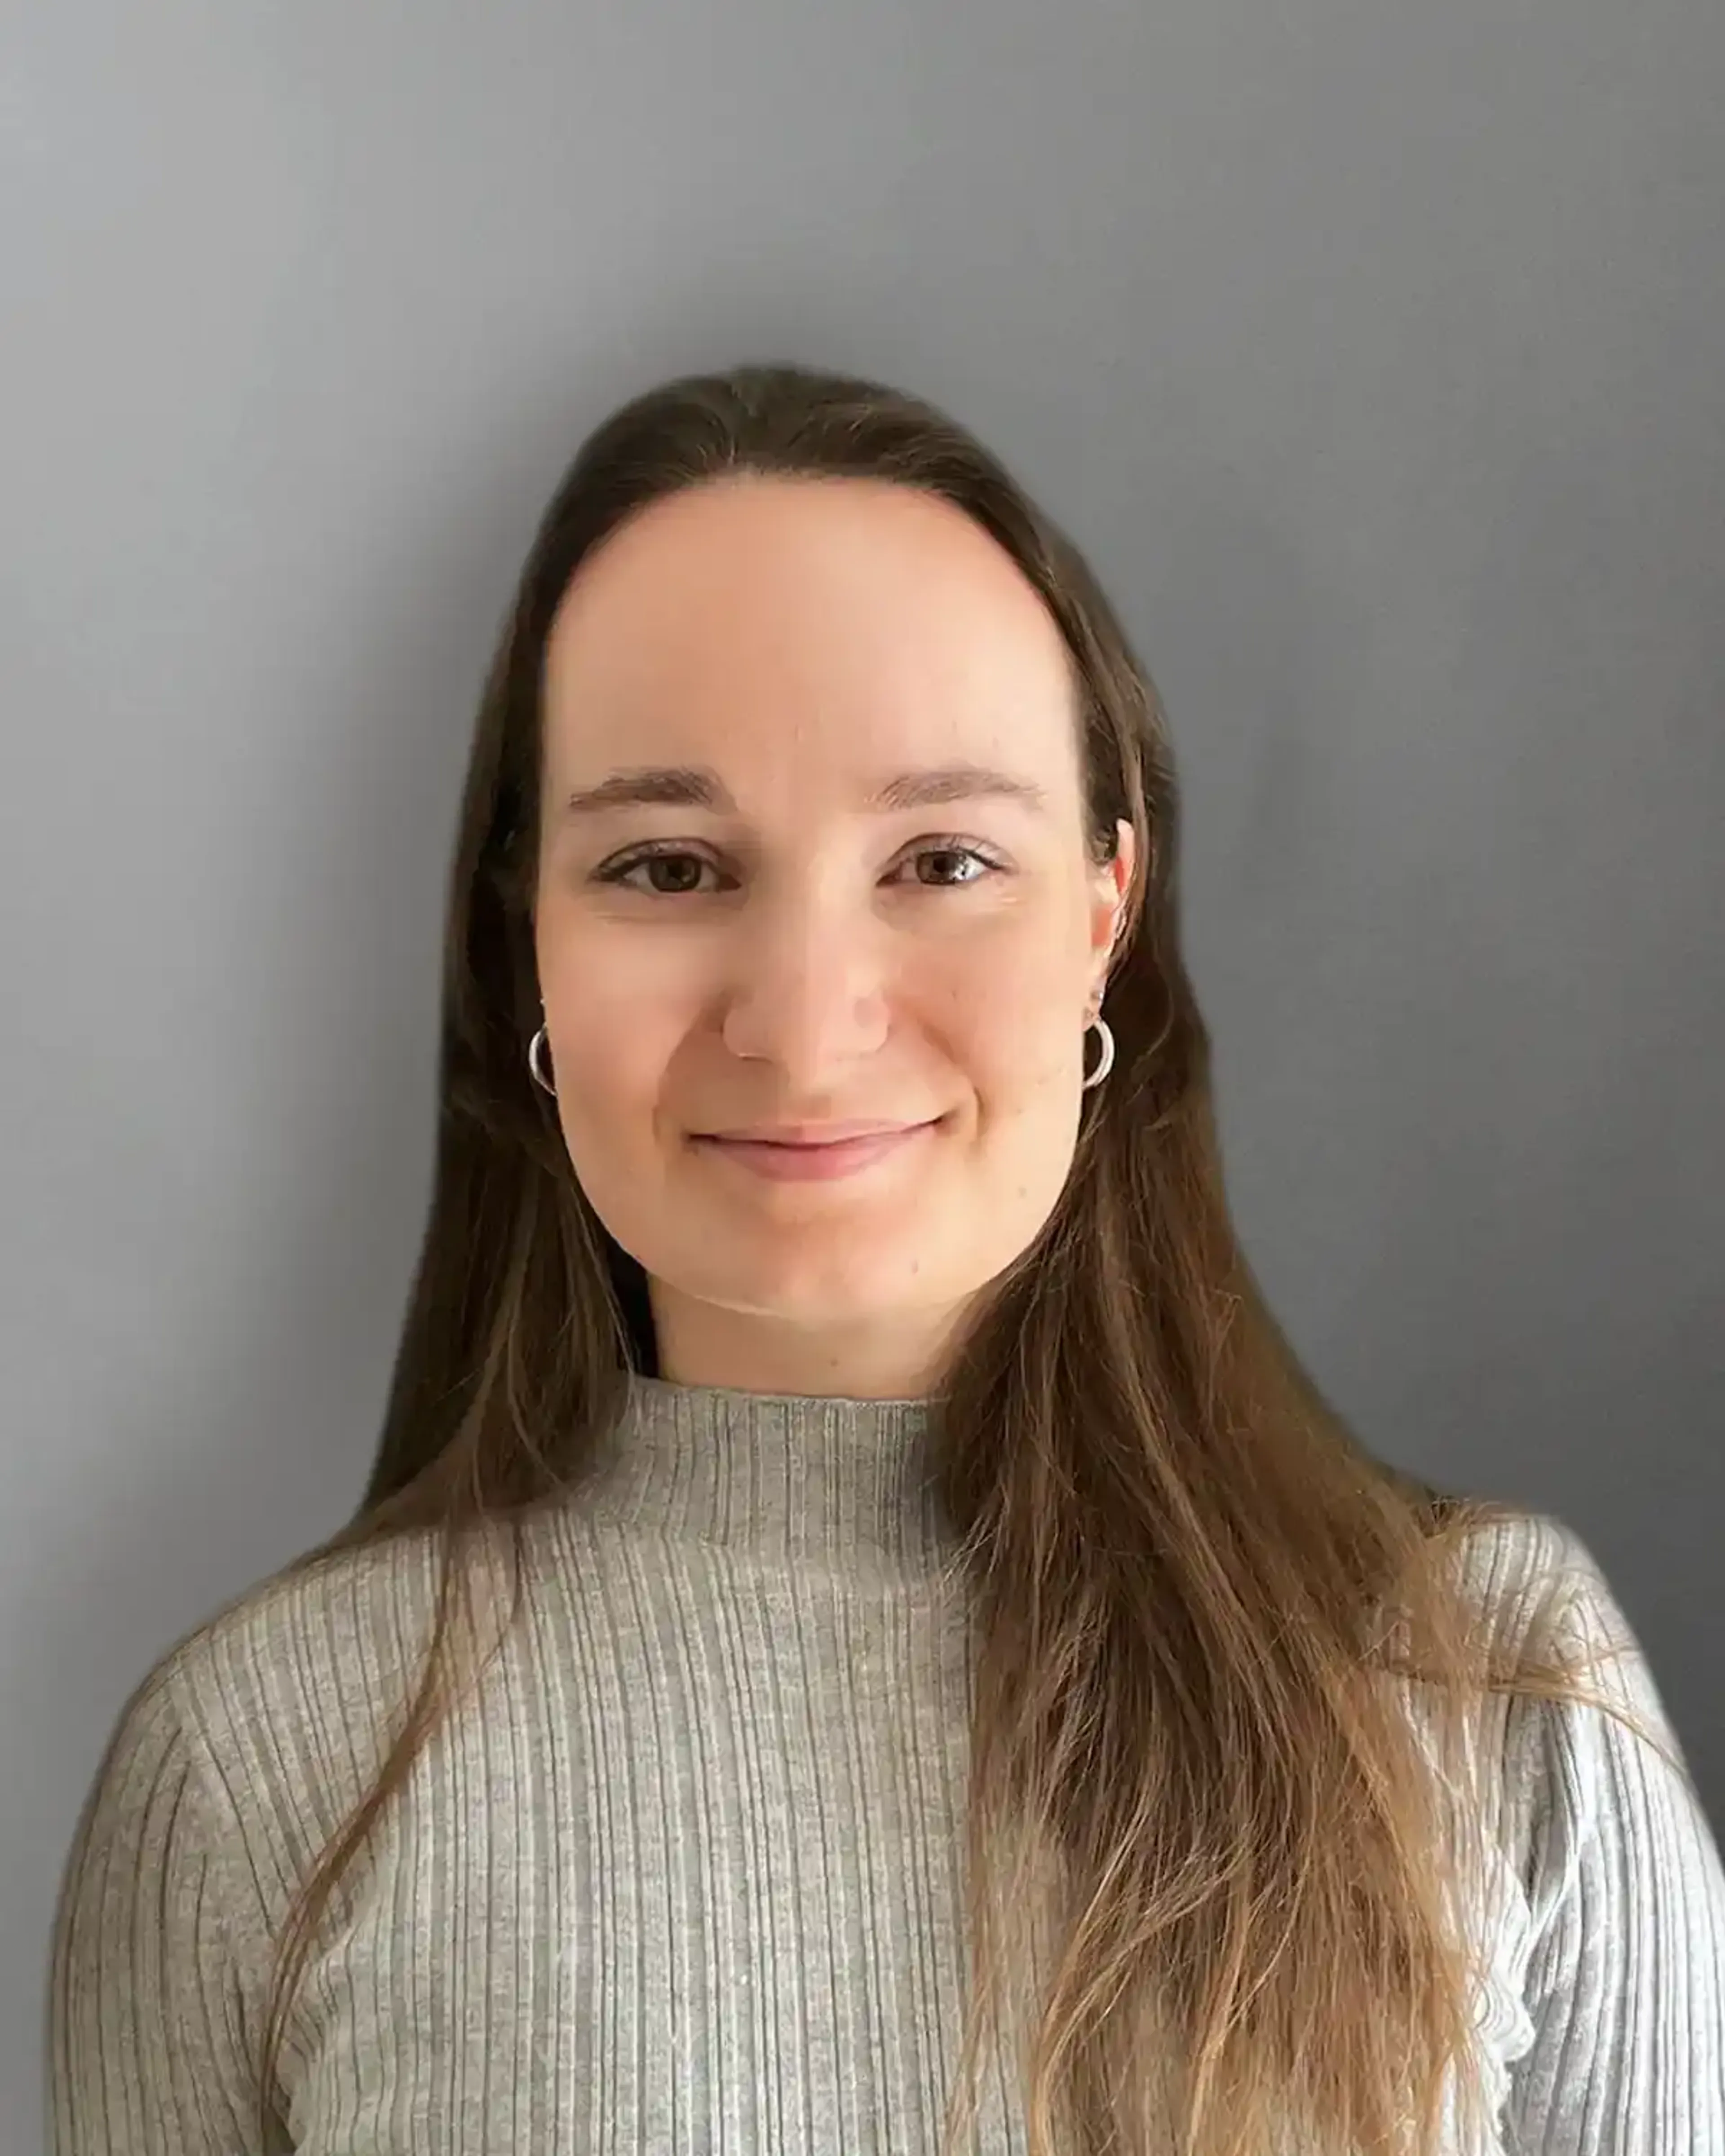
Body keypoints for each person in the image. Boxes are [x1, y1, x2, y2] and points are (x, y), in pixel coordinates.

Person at [47, 363, 1723, 2156]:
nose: (808, 1024)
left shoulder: (1482, 1690)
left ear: (1105, 916)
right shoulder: (261, 1766)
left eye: (940, 857)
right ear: (523, 942)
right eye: (672, 869)